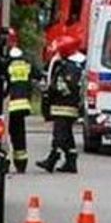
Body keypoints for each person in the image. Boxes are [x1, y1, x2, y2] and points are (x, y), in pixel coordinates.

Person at [37, 36, 83, 173]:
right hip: (67, 105)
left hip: (64, 106)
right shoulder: (72, 64)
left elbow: (65, 85)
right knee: (67, 134)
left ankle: (52, 159)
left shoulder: (70, 67)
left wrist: (50, 89)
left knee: (59, 134)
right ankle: (71, 160)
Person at [5, 46, 40, 173]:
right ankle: (21, 163)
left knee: (4, 136)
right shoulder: (27, 63)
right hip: (23, 105)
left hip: (9, 105)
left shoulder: (6, 64)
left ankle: (4, 161)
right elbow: (38, 75)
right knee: (19, 135)